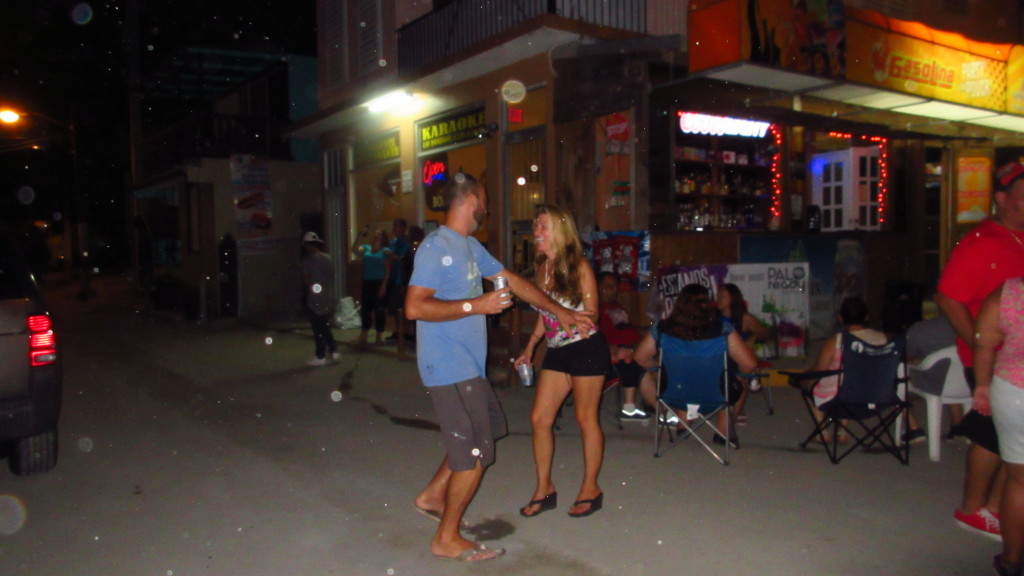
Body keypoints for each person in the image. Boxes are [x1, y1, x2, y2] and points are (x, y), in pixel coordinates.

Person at [405, 173, 594, 562]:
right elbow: (414, 307)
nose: (487, 206)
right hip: (448, 365)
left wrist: (560, 311)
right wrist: (477, 306)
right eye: (485, 198)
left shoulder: (471, 247)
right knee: (475, 454)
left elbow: (512, 282)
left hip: (468, 367)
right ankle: (447, 537)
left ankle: (433, 495)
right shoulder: (436, 246)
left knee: (490, 428)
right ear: (471, 198)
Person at [939, 160, 1024, 541]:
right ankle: (972, 509)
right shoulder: (982, 242)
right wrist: (980, 343)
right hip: (988, 357)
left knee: (1013, 441)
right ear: (1002, 200)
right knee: (990, 436)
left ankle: (995, 506)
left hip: (1015, 357)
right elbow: (948, 297)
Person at [515, 205, 611, 519]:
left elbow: (593, 311)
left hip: (585, 347)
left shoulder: (580, 265)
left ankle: (590, 487)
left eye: (542, 226)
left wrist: (576, 316)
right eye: (535, 226)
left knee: (586, 419)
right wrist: (530, 346)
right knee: (539, 419)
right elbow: (545, 315)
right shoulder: (541, 268)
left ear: (560, 230)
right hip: (556, 348)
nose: (536, 232)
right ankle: (544, 488)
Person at [634, 283, 757, 447]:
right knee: (734, 380)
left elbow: (640, 358)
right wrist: (737, 373)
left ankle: (683, 425)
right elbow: (749, 364)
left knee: (683, 375)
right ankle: (723, 432)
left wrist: (660, 364)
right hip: (715, 394)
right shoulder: (722, 329)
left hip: (674, 392)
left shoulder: (663, 328)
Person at [974, 278, 1024, 576]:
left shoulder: (1011, 292)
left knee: (1019, 481)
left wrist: (982, 385)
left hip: (1017, 390)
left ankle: (1012, 560)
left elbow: (983, 340)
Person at [798, 296, 888, 442]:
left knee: (810, 382)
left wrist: (805, 377)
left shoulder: (837, 341)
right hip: (876, 396)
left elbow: (820, 370)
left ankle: (823, 430)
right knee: (852, 382)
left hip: (840, 397)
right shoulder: (882, 338)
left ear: (840, 317)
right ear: (866, 316)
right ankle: (841, 430)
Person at [597, 271, 649, 419]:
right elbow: (598, 337)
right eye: (610, 287)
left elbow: (628, 328)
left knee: (656, 363)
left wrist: (645, 333)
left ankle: (656, 407)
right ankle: (662, 412)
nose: (615, 290)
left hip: (633, 345)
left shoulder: (617, 306)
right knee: (642, 364)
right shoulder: (597, 309)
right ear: (599, 288)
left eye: (615, 286)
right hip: (616, 353)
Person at [715, 283, 769, 423]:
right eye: (718, 296)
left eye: (723, 296)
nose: (719, 299)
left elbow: (765, 332)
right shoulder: (714, 317)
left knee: (744, 349)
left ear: (732, 299)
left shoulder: (745, 318)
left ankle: (749, 377)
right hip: (719, 357)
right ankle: (750, 377)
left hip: (738, 358)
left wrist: (753, 338)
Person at [905, 312, 960, 441]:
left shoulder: (922, 328)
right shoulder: (970, 324)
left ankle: (913, 427)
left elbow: (905, 355)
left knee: (897, 373)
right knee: (950, 371)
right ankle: (958, 424)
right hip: (965, 381)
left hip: (935, 382)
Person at [301, 231, 338, 366]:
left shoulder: (307, 261)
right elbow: (332, 275)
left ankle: (320, 356)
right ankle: (333, 350)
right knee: (325, 326)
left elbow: (306, 280)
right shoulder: (328, 258)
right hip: (327, 297)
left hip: (315, 299)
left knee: (318, 329)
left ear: (309, 245)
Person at [351, 226, 392, 347]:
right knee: (365, 310)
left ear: (383, 237)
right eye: (375, 233)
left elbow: (387, 270)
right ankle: (364, 335)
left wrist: (384, 286)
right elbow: (354, 250)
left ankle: (379, 336)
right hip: (367, 282)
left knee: (379, 310)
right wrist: (359, 236)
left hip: (379, 282)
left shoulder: (385, 251)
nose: (376, 235)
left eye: (379, 234)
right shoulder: (366, 248)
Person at [385, 218, 412, 342]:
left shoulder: (406, 243)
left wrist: (392, 256)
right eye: (393, 226)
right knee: (395, 307)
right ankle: (398, 331)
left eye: (396, 226)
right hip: (392, 278)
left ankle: (407, 332)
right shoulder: (392, 242)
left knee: (402, 306)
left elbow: (403, 259)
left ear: (403, 228)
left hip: (402, 280)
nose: (394, 228)